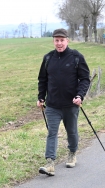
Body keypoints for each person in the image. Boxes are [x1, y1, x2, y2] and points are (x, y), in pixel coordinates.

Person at [37, 28, 90, 176]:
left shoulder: (76, 57)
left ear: (67, 40)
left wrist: (80, 95)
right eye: (56, 40)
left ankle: (72, 153)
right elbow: (42, 79)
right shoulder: (48, 58)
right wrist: (41, 97)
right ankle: (50, 163)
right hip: (52, 105)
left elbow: (85, 78)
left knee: (71, 132)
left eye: (62, 40)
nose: (59, 43)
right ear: (53, 41)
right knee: (52, 133)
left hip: (71, 105)